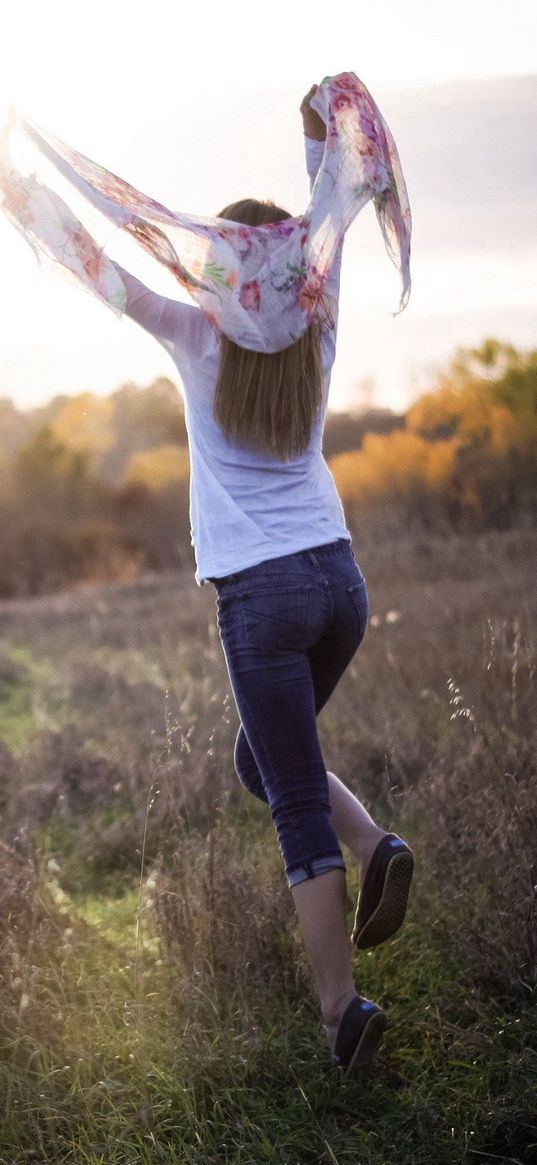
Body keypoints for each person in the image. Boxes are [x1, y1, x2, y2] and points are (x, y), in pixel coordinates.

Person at [109, 83, 414, 1076]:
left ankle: (340, 1011)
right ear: (284, 272)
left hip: (264, 597)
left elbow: (112, 280)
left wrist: (34, 194)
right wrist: (320, 132)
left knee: (285, 790)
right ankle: (377, 845)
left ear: (223, 273)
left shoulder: (198, 332)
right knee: (263, 762)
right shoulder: (317, 327)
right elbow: (330, 212)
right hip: (341, 585)